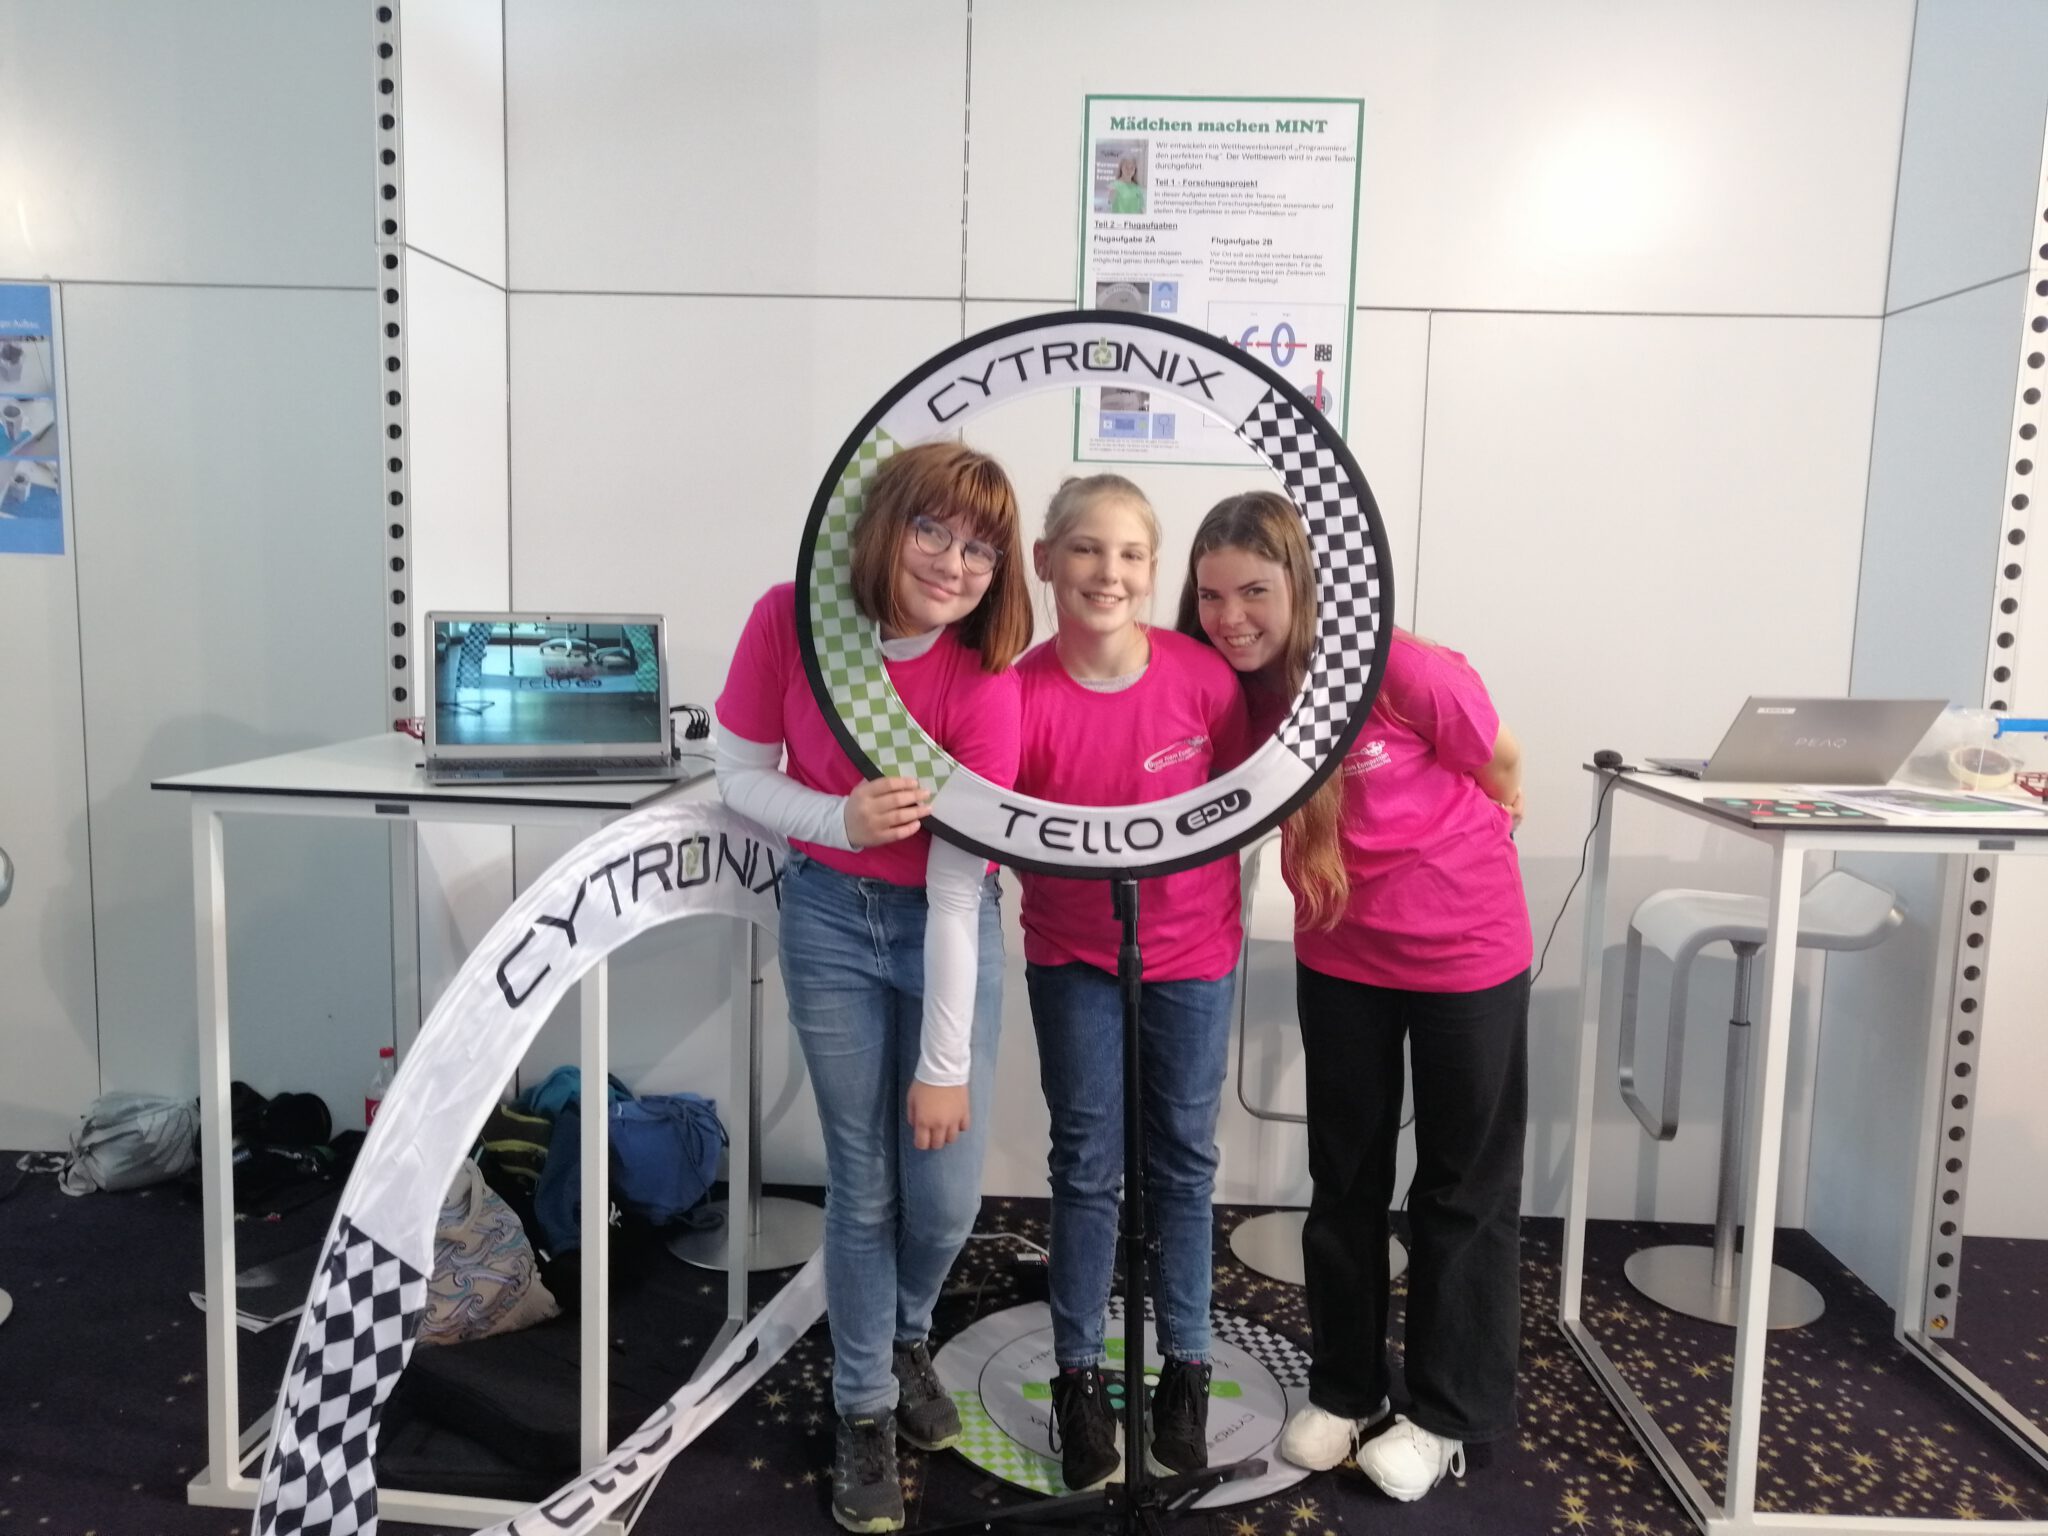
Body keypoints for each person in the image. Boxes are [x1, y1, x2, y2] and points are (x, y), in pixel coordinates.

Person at [1179, 490, 1530, 1505]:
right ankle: (1344, 1389)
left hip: (1467, 953)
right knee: (1344, 1180)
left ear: (1302, 581)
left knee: (1461, 1190)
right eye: (1211, 596)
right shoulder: (1234, 689)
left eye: (1254, 591)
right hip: (1341, 958)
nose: (1230, 616)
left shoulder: (1399, 666)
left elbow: (1502, 763)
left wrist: (1473, 842)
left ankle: (1445, 1415)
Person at [715, 441, 1032, 1534]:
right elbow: (737, 773)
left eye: (980, 549)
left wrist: (942, 1068)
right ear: (883, 524)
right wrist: (836, 820)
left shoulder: (985, 676)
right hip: (827, 918)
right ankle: (862, 1406)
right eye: (931, 530)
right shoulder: (787, 619)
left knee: (942, 1197)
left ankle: (902, 1334)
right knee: (861, 1186)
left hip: (947, 924)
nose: (952, 563)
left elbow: (952, 887)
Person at [1013, 474, 1250, 1490]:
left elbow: (1248, 800)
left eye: (1130, 555)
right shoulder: (1018, 691)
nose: (1107, 573)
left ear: (1153, 571)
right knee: (1085, 1164)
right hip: (1071, 954)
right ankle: (1078, 1373)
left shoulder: (1204, 680)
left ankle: (1184, 1364)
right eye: (1085, 549)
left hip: (1193, 952)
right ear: (1046, 561)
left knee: (1185, 1162)